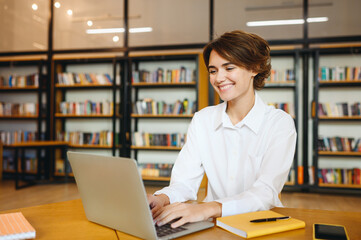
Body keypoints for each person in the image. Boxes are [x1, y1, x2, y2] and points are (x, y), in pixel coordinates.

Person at [147, 30, 297, 228]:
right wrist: (162, 198)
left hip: (260, 224)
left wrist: (208, 208)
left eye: (229, 68)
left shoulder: (279, 123)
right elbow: (184, 182)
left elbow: (265, 193)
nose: (219, 78)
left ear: (254, 68)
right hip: (213, 224)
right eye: (213, 70)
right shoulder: (203, 120)